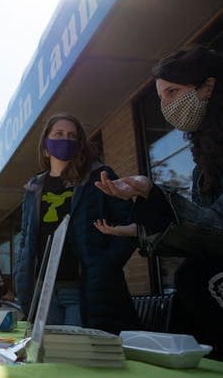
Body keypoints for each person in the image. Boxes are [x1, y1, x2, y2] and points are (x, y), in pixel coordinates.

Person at [94, 46, 223, 369]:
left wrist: (155, 197)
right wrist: (145, 211)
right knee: (188, 284)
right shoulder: (206, 153)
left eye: (172, 92)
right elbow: (207, 233)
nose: (165, 105)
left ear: (207, 87)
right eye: (160, 97)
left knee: (203, 279)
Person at [13, 113, 141, 334]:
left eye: (72, 136)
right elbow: (26, 238)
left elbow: (131, 223)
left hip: (82, 289)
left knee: (76, 354)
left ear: (80, 144)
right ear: (45, 145)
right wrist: (21, 277)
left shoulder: (99, 177)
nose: (66, 139)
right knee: (50, 360)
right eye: (59, 134)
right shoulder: (34, 188)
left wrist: (106, 264)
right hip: (43, 291)